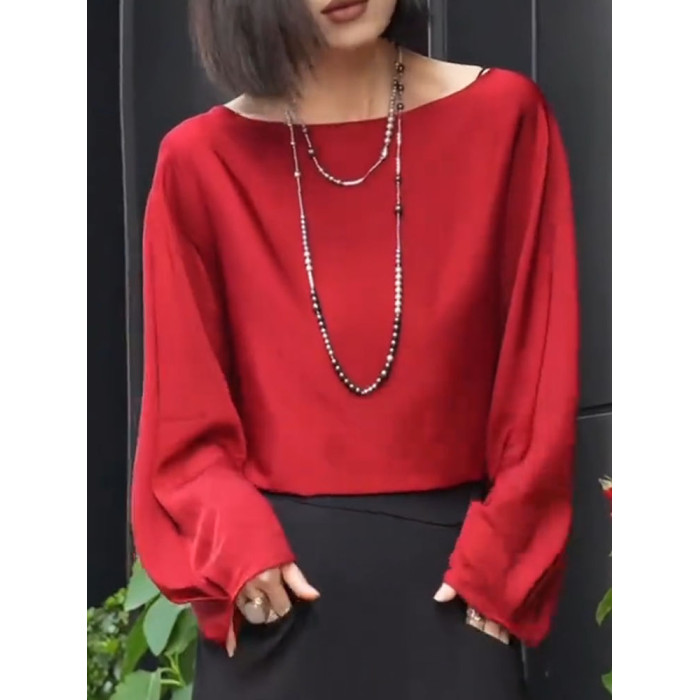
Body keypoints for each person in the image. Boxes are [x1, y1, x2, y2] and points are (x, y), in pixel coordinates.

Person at [130, 0, 581, 698]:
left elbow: (540, 373)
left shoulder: (504, 120)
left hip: (453, 593)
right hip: (278, 601)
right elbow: (182, 421)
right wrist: (238, 549)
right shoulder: (199, 162)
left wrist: (503, 562)